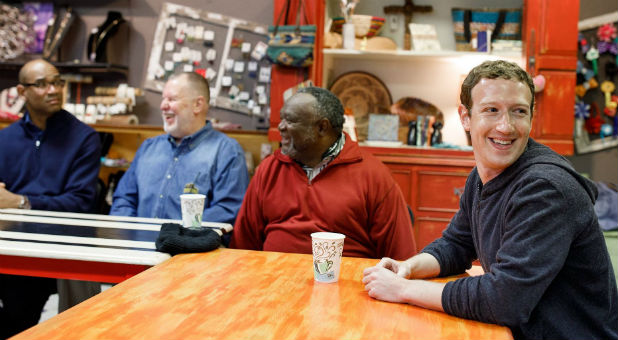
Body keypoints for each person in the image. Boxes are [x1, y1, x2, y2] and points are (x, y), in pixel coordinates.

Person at [362, 60, 618, 340]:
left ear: (531, 116)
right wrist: (408, 268)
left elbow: (505, 299)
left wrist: (403, 290)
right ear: (465, 117)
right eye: (491, 110)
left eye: (518, 112)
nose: (505, 126)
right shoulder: (483, 176)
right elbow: (457, 244)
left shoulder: (545, 189)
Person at [230, 87, 417, 259]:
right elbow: (243, 247)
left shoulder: (373, 176)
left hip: (345, 287)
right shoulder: (269, 169)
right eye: (282, 119)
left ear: (322, 127)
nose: (281, 127)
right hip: (273, 283)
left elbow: (400, 258)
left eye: (291, 120)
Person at [0, 59, 102, 339]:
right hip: (9, 244)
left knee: (22, 315)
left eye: (57, 81)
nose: (53, 89)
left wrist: (20, 202)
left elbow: (80, 202)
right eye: (42, 84)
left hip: (57, 248)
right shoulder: (5, 139)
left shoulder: (84, 139)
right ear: (22, 92)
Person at [110, 72, 248, 226]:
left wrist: (177, 238)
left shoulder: (226, 152)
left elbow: (227, 210)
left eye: (172, 99)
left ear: (198, 105)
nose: (163, 106)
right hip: (139, 247)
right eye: (163, 99)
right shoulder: (148, 148)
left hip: (192, 249)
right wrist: (128, 234)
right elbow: (124, 200)